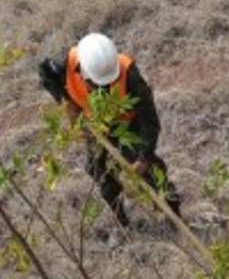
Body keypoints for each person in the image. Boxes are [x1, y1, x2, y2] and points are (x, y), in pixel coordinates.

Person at [38, 32, 181, 232]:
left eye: (106, 83)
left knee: (151, 173)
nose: (102, 88)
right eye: (96, 83)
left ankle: (173, 215)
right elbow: (44, 72)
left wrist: (144, 156)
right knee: (101, 173)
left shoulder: (130, 75)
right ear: (83, 69)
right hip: (95, 125)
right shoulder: (61, 64)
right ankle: (122, 223)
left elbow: (149, 121)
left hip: (127, 124)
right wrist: (66, 103)